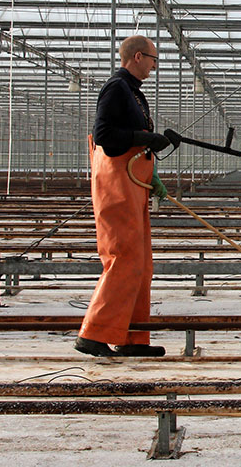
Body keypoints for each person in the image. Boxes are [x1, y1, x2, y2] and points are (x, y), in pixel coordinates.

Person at [75, 35, 170, 358]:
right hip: (116, 185)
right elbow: (104, 136)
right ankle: (95, 332)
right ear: (138, 56)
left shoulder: (133, 93)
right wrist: (143, 137)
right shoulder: (117, 88)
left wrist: (152, 171)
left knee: (141, 263)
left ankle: (131, 337)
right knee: (123, 257)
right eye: (154, 59)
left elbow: (130, 138)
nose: (156, 66)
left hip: (134, 185)